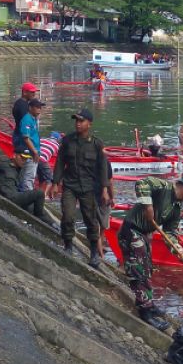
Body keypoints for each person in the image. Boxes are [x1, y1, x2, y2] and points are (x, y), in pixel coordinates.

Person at [117, 171, 183, 330]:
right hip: (131, 230)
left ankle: (147, 303)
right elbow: (142, 183)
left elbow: (170, 233)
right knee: (139, 271)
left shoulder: (177, 208)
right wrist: (148, 205)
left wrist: (178, 251)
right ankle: (145, 311)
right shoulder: (164, 187)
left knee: (148, 269)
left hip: (144, 234)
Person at [49, 108, 111, 266]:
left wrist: (105, 190)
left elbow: (104, 168)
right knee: (68, 216)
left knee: (91, 220)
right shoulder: (68, 141)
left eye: (81, 121)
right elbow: (60, 162)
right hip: (70, 185)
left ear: (89, 124)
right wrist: (55, 183)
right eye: (76, 121)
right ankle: (68, 246)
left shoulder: (97, 144)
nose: (77, 124)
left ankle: (93, 254)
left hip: (89, 187)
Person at [0, 153, 45, 219]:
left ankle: (45, 221)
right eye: (22, 158)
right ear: (15, 155)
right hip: (10, 196)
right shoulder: (4, 163)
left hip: (17, 196)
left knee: (34, 208)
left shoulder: (21, 169)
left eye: (26, 159)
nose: (24, 161)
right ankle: (38, 219)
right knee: (40, 193)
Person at [12, 97, 45, 190]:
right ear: (30, 108)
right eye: (37, 107)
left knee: (27, 177)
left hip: (33, 152)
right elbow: (26, 138)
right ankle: (27, 198)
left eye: (40, 107)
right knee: (28, 178)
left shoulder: (33, 119)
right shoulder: (27, 119)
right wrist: (34, 151)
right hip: (30, 153)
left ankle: (24, 194)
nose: (39, 109)